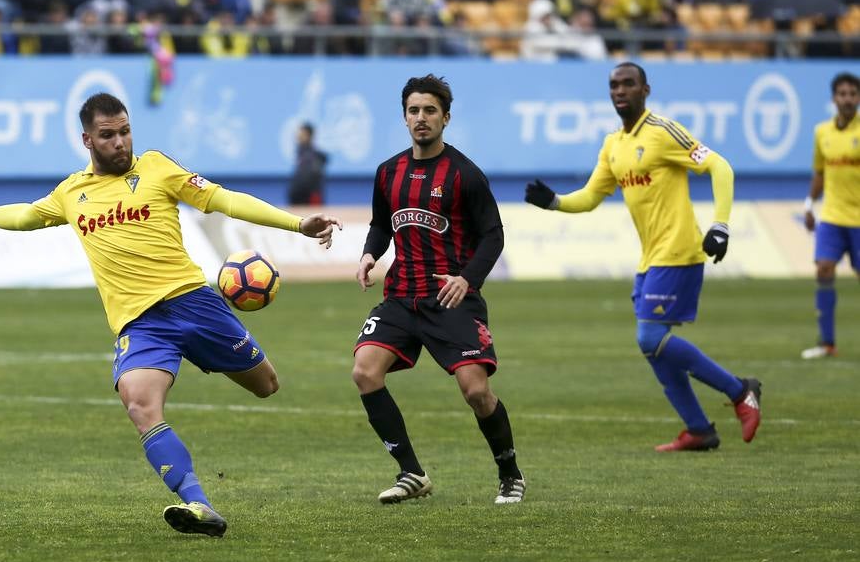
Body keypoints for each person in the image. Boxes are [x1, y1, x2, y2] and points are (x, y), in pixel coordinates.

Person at [0, 93, 341, 538]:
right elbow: (26, 216)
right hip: (141, 324)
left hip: (194, 303)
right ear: (87, 139)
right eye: (108, 135)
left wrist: (296, 225)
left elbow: (223, 200)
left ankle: (211, 360)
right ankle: (199, 505)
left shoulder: (158, 168)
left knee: (266, 385)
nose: (120, 142)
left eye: (125, 131)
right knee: (140, 405)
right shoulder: (72, 193)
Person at [524, 62, 762, 452]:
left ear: (645, 89)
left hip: (681, 250)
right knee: (652, 350)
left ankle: (741, 392)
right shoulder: (613, 145)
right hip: (650, 259)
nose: (620, 90)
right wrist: (553, 202)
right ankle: (699, 429)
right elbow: (590, 197)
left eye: (628, 83)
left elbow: (720, 166)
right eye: (614, 85)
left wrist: (721, 225)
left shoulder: (663, 132)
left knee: (649, 336)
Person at [352, 74, 524, 506]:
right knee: (364, 371)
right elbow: (379, 223)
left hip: (451, 299)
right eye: (414, 111)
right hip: (401, 297)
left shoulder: (465, 174)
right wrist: (370, 254)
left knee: (476, 392)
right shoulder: (388, 172)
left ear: (446, 117)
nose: (421, 118)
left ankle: (510, 473)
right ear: (404, 117)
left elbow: (493, 236)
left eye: (430, 111)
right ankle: (411, 472)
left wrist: (467, 278)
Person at [801, 72, 860, 359]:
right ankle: (827, 343)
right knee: (824, 269)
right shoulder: (822, 132)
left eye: (852, 94)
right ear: (834, 98)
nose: (847, 99)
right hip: (833, 216)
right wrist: (809, 204)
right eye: (842, 94)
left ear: (858, 98)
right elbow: (820, 173)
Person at [287, 121, 328, 206]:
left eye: (301, 134)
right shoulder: (301, 153)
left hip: (308, 200)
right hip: (297, 199)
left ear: (308, 136)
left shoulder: (312, 156)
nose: (298, 136)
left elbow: (312, 178)